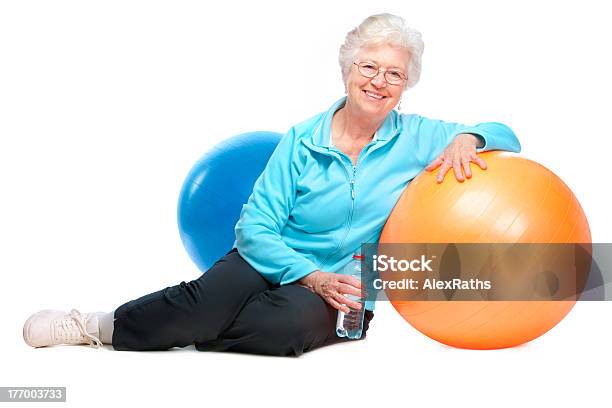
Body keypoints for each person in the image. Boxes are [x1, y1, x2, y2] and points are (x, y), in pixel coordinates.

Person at [22, 13, 520, 356]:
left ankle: (194, 326)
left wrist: (471, 137)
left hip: (344, 284)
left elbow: (508, 135)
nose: (379, 81)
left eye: (395, 73)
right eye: (369, 67)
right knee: (207, 300)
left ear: (407, 84)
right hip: (270, 257)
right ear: (347, 71)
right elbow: (255, 227)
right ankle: (94, 326)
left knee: (288, 328)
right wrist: (309, 275)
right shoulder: (302, 140)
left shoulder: (417, 137)